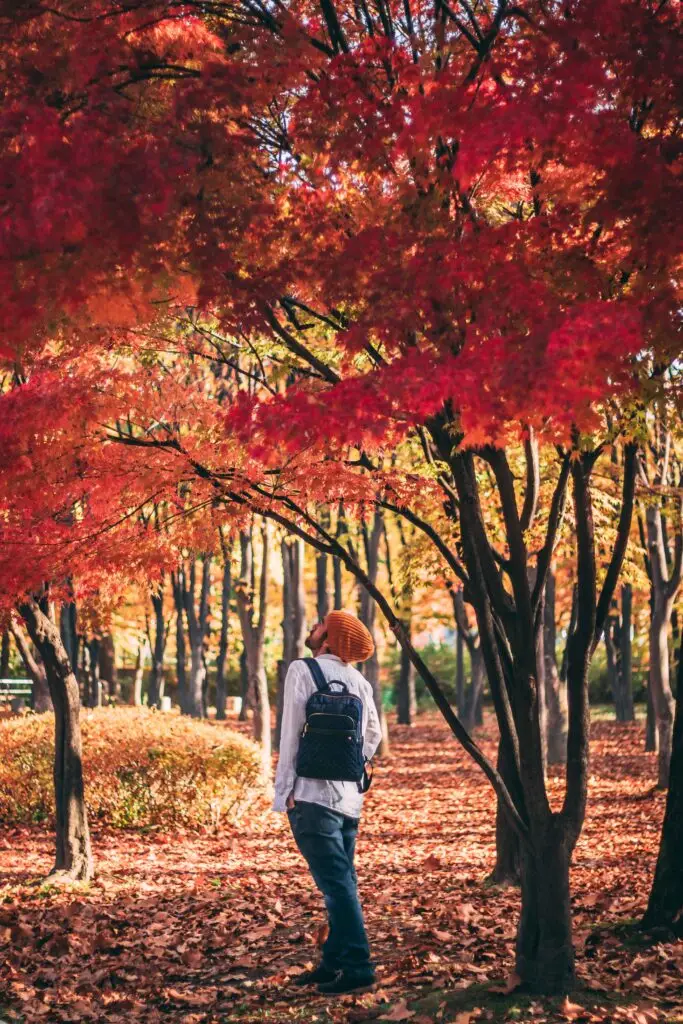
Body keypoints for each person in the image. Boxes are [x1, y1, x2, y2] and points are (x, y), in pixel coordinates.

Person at [273, 609, 382, 995]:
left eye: (320, 624)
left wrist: (283, 790)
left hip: (312, 796)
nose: (314, 627)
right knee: (342, 882)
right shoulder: (359, 683)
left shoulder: (303, 671)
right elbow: (373, 735)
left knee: (337, 887)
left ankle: (359, 968)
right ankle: (333, 963)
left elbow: (289, 735)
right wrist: (354, 764)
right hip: (349, 800)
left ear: (330, 640)